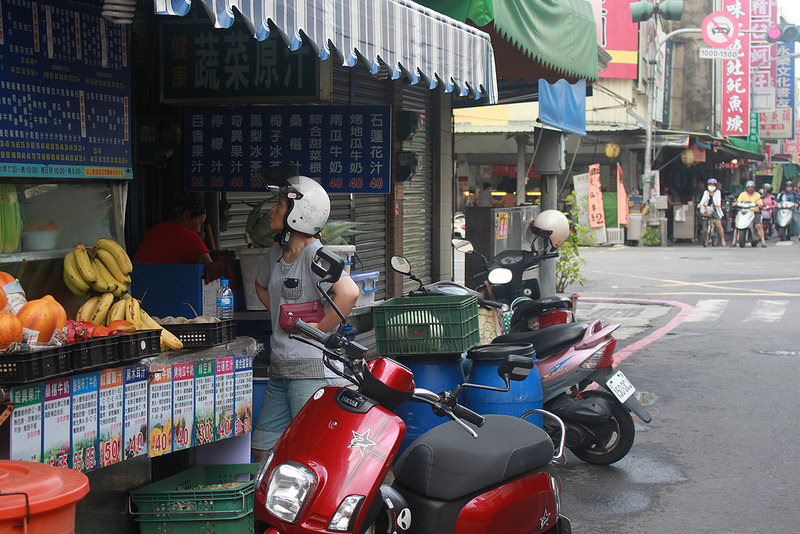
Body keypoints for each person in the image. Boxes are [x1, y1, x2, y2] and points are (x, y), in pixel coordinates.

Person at [251, 176, 359, 461]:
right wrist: (279, 312)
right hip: (280, 368)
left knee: (310, 449)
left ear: (300, 213)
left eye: (280, 204)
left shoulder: (316, 254)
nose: (273, 210)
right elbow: (260, 285)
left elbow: (348, 293)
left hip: (311, 373)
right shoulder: (276, 253)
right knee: (263, 447)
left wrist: (319, 329)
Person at [134, 195, 212, 265]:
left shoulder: (150, 234)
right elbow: (210, 269)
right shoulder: (189, 238)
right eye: (200, 223)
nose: (198, 229)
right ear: (186, 216)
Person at [733, 180, 766, 247]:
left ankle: (763, 241)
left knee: (758, 225)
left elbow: (760, 204)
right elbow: (738, 201)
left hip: (754, 212)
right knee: (737, 226)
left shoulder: (757, 195)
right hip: (744, 212)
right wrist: (735, 203)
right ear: (746, 188)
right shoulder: (742, 194)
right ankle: (734, 242)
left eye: (752, 187)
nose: (750, 188)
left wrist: (758, 204)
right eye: (749, 187)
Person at [697, 178, 727, 246]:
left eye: (713, 185)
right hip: (708, 209)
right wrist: (700, 204)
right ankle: (707, 237)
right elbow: (703, 199)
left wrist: (718, 205)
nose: (711, 186)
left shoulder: (717, 192)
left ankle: (723, 239)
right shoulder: (706, 192)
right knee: (706, 224)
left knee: (718, 225)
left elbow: (718, 200)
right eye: (710, 185)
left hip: (715, 209)